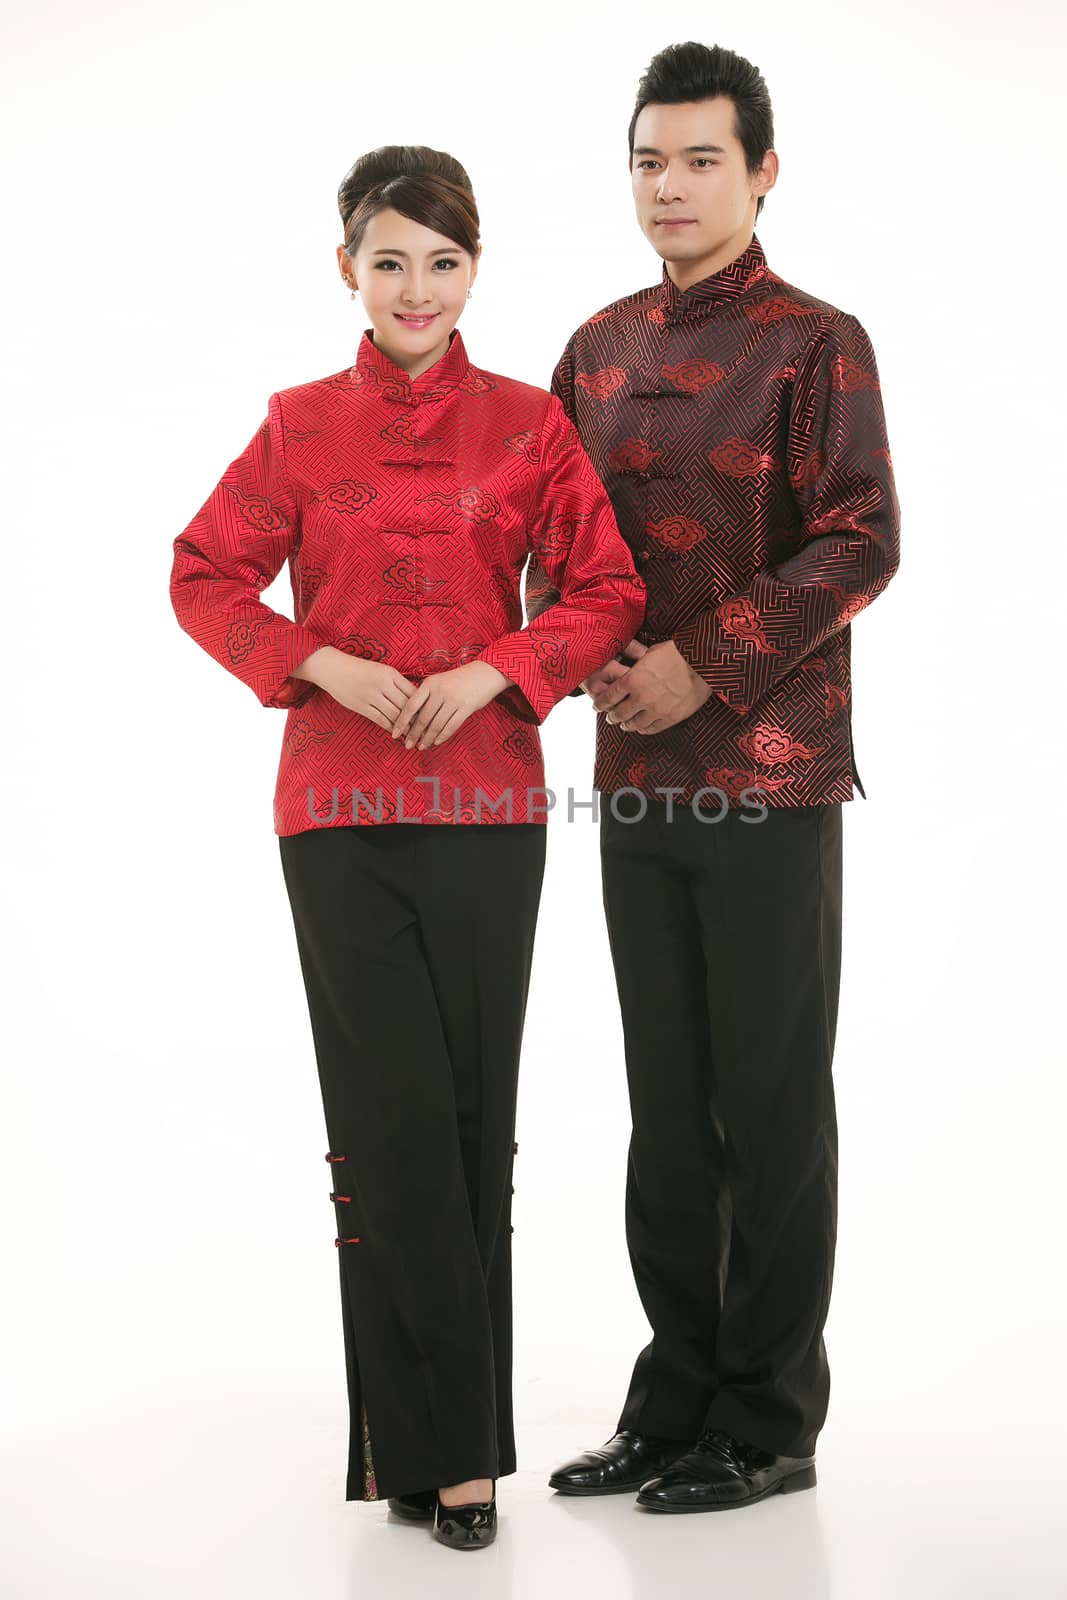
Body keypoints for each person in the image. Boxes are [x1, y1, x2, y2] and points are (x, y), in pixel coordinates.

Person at [168, 144, 645, 1550]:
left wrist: (502, 671)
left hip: (492, 810)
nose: (417, 288)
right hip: (336, 815)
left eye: (443, 261)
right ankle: (438, 1453)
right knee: (383, 1134)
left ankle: (432, 1449)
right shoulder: (298, 427)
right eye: (390, 260)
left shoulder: (525, 427)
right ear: (347, 270)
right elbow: (202, 574)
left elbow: (605, 583)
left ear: (473, 270)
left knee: (466, 1129)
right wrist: (316, 659)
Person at [531, 42, 901, 1512]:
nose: (669, 186)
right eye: (647, 159)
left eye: (698, 160)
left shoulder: (818, 340)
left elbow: (863, 536)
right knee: (668, 1102)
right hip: (631, 771)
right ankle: (675, 1393)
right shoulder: (597, 347)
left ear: (759, 172)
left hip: (769, 772)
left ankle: (769, 1419)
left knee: (769, 1098)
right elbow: (563, 543)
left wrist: (708, 660)